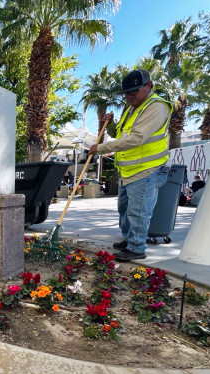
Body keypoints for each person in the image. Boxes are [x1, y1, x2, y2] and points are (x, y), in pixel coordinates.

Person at [89, 69, 173, 262]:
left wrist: (100, 148)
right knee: (125, 210)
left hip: (146, 169)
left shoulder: (156, 107)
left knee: (139, 211)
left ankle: (136, 247)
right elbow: (121, 136)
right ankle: (129, 240)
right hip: (129, 171)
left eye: (135, 91)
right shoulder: (133, 109)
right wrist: (108, 125)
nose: (130, 96)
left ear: (149, 85)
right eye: (127, 93)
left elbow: (136, 139)